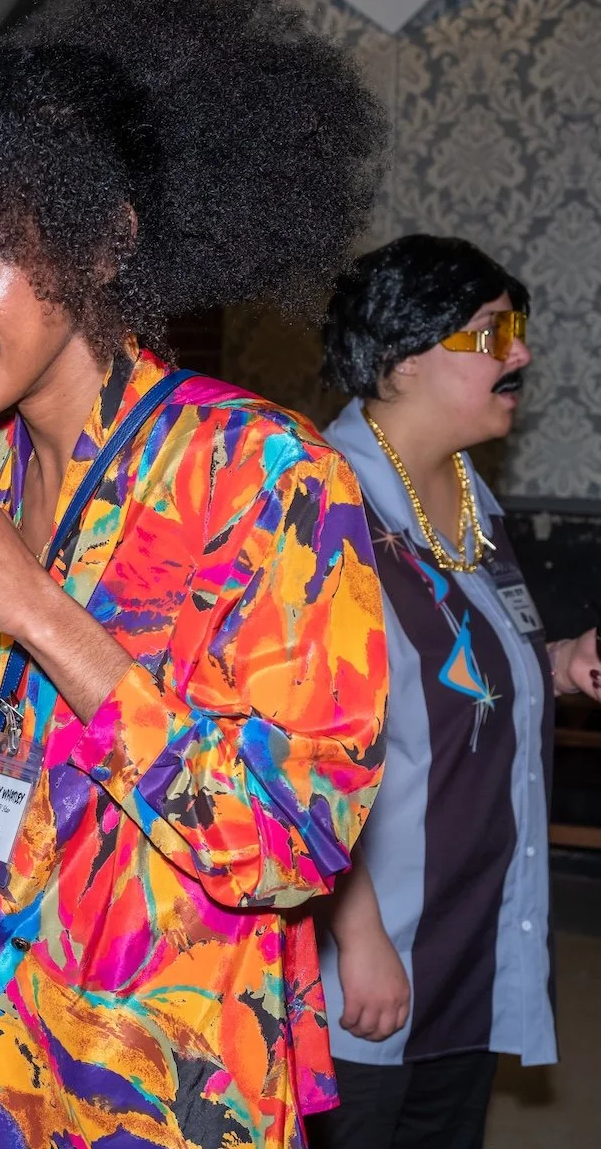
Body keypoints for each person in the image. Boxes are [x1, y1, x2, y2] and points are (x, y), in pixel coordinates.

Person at [0, 0, 391, 1149]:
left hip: (167, 1089)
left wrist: (40, 609)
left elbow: (289, 842)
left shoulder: (268, 480)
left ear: (101, 238)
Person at [309, 235, 598, 1149]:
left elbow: (443, 673)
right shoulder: (319, 506)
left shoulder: (467, 497)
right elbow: (285, 744)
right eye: (488, 332)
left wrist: (557, 663)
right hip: (366, 959)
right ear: (400, 356)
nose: (518, 353)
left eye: (515, 329)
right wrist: (355, 938)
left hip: (470, 937)